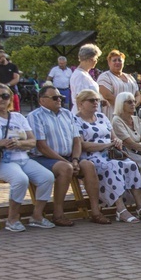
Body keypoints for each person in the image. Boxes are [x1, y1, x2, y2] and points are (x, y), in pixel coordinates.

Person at [0, 84, 56, 232]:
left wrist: (19, 143)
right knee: (20, 179)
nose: (0, 99)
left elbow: (32, 141)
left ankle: (37, 216)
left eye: (5, 96)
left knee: (47, 177)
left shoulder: (18, 117)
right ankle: (12, 218)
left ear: (10, 99)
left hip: (22, 158)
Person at [28, 86, 111, 226]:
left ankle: (96, 212)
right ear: (42, 100)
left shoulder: (67, 114)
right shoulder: (35, 116)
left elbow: (77, 140)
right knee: (65, 168)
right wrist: (68, 163)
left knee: (89, 165)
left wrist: (75, 159)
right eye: (55, 97)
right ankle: (58, 214)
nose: (59, 100)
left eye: (60, 97)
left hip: (68, 157)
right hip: (43, 158)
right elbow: (41, 146)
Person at [74, 89, 141, 224]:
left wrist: (116, 141)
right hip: (91, 155)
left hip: (109, 152)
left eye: (97, 100)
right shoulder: (76, 120)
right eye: (91, 100)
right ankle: (120, 209)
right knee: (112, 166)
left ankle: (140, 206)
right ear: (81, 103)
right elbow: (82, 144)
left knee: (131, 164)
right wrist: (105, 145)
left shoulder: (102, 117)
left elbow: (113, 137)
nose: (96, 103)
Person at [97, 50, 140, 120]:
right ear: (109, 63)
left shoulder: (130, 77)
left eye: (120, 60)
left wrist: (134, 105)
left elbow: (137, 94)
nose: (117, 62)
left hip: (130, 116)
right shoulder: (105, 77)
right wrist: (125, 108)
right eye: (114, 60)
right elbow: (108, 96)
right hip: (113, 116)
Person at [70, 44, 102, 116]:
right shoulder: (80, 76)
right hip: (84, 116)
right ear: (90, 59)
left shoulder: (85, 74)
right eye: (96, 58)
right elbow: (80, 98)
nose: (96, 61)